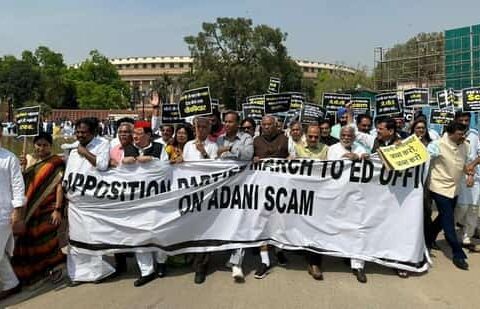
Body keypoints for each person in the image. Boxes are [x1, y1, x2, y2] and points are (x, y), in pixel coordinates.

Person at [64, 117, 115, 285]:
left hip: (93, 202)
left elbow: (102, 165)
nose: (79, 135)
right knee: (76, 238)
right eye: (77, 132)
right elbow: (68, 175)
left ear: (92, 132)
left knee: (92, 237)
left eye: (83, 132)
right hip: (75, 202)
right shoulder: (72, 150)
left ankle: (97, 273)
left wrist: (85, 153)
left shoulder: (102, 144)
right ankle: (77, 274)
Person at [12, 133, 65, 285]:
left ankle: (54, 268)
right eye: (38, 144)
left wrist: (58, 209)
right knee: (28, 239)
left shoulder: (56, 162)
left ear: (50, 146)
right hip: (28, 209)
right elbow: (20, 183)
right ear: (34, 145)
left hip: (47, 208)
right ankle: (33, 272)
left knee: (46, 239)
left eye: (45, 145)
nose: (41, 148)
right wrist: (21, 166)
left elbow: (59, 187)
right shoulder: (28, 159)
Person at [427, 122, 480, 270]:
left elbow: (466, 165)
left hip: (455, 188)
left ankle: (428, 238)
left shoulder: (465, 145)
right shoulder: (436, 145)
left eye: (464, 133)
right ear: (450, 134)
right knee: (448, 219)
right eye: (459, 134)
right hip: (439, 187)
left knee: (442, 218)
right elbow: (423, 159)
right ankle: (458, 253)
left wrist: (469, 174)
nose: (463, 136)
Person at [123, 120, 169, 287]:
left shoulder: (159, 148)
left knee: (159, 231)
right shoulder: (128, 149)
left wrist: (151, 160)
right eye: (133, 133)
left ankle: (162, 262)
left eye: (139, 133)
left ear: (148, 135)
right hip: (137, 200)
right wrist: (124, 163)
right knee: (139, 234)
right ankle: (146, 271)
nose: (135, 136)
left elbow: (166, 168)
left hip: (157, 198)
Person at [327, 126, 368, 283]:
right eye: (343, 135)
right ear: (339, 136)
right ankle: (341, 254)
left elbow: (370, 163)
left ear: (353, 137)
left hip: (357, 196)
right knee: (338, 227)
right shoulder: (332, 149)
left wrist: (362, 158)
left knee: (357, 229)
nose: (346, 137)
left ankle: (358, 266)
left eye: (349, 135)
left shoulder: (361, 148)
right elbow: (328, 169)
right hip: (337, 195)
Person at [216, 111, 254, 282]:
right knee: (226, 223)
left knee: (239, 222)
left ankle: (237, 263)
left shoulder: (246, 138)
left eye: (231, 122)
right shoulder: (218, 139)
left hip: (241, 186)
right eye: (225, 121)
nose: (227, 124)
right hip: (223, 188)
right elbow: (215, 158)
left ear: (237, 123)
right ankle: (230, 255)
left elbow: (248, 155)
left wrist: (230, 148)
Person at [182, 116, 218, 284]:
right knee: (191, 227)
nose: (201, 130)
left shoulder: (213, 146)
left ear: (209, 129)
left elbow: (216, 169)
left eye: (204, 127)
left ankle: (201, 266)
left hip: (207, 194)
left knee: (204, 230)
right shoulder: (188, 146)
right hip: (190, 192)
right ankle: (191, 255)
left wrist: (204, 152)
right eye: (198, 127)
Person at [253, 115, 289, 279]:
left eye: (270, 125)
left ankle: (279, 250)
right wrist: (252, 159)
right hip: (261, 187)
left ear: (276, 126)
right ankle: (265, 261)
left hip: (282, 187)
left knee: (279, 221)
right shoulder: (256, 141)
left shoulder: (285, 139)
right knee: (262, 222)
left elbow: (292, 156)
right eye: (264, 125)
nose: (267, 127)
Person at [292, 124, 327, 280]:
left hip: (320, 195)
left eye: (316, 136)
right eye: (310, 136)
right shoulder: (297, 148)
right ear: (305, 135)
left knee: (316, 229)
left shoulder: (326, 149)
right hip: (301, 194)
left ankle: (314, 263)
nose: (313, 139)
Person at [0, 126, 25, 300]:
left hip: (2, 213)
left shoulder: (9, 158)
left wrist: (17, 212)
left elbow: (18, 187)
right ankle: (11, 284)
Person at [454, 112, 480, 252]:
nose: (464, 122)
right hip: (460, 175)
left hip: (475, 175)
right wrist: (467, 171)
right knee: (462, 206)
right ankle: (450, 231)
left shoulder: (474, 135)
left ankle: (467, 236)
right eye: (461, 120)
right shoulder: (452, 135)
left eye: (467, 120)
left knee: (474, 207)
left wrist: (472, 167)